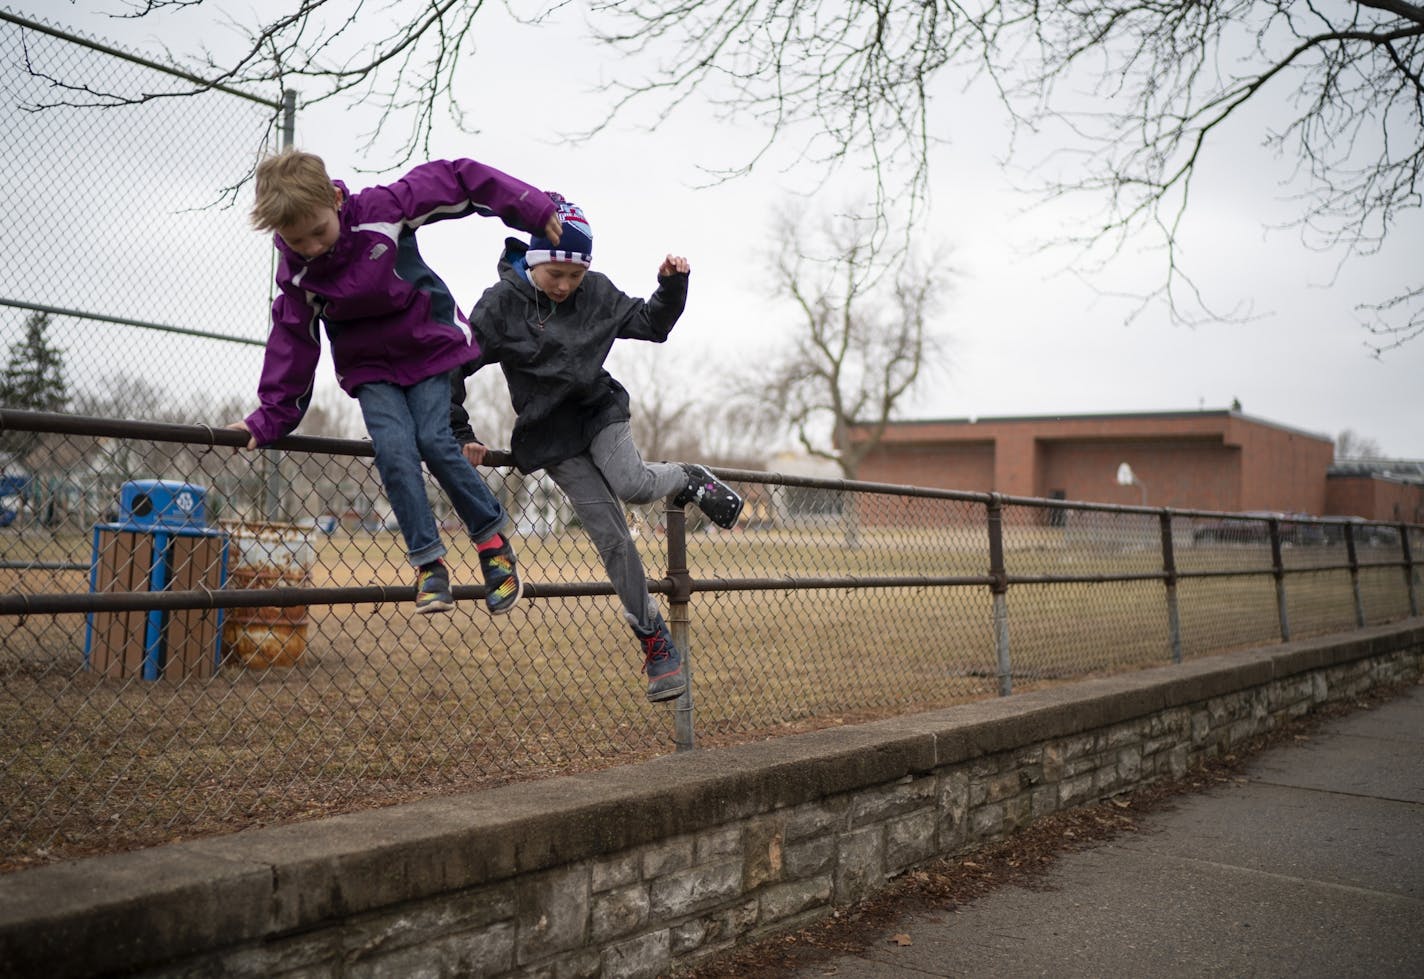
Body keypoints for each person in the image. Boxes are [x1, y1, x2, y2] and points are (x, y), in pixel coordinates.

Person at [228, 148, 562, 617]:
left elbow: (458, 180)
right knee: (394, 448)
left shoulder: (383, 210)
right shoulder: (298, 273)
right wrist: (269, 417)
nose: (312, 247)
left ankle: (492, 542)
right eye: (296, 240)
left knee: (433, 438)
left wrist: (529, 205)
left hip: (427, 345)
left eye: (319, 232)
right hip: (370, 368)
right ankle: (429, 563)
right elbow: (292, 342)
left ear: (335, 201)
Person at [450, 194, 743, 703]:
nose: (565, 287)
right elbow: (452, 365)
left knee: (633, 484)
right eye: (554, 275)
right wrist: (460, 434)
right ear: (534, 261)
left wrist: (672, 286)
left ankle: (689, 476)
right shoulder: (500, 306)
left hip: (598, 410)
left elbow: (651, 324)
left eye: (575, 276)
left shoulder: (597, 293)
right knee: (611, 538)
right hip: (551, 436)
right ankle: (654, 640)